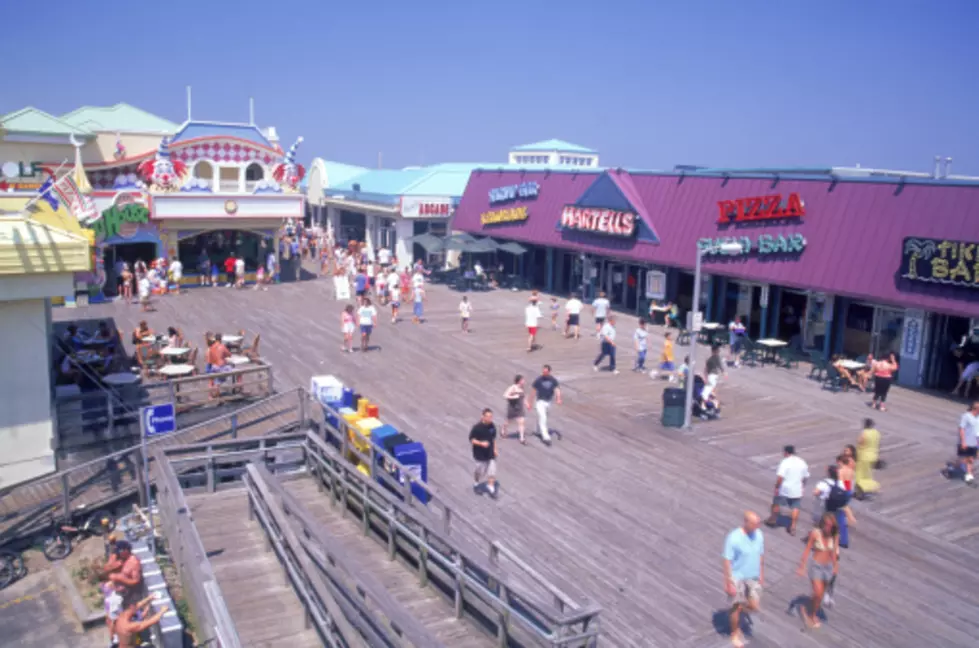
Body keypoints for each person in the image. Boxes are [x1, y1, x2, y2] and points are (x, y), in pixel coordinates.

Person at [722, 512, 765, 648]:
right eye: (754, 524)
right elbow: (727, 560)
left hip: (753, 577)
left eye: (758, 523)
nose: (757, 526)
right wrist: (728, 582)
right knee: (736, 607)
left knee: (754, 605)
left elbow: (760, 555)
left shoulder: (759, 535)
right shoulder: (733, 538)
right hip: (737, 577)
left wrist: (761, 573)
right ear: (746, 522)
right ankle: (735, 632)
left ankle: (740, 609)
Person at [796, 512, 839, 629]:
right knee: (818, 593)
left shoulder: (834, 535)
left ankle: (812, 611)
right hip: (816, 567)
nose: (828, 528)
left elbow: (834, 552)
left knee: (819, 595)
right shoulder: (816, 534)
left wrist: (835, 565)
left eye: (831, 526)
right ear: (823, 524)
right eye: (827, 525)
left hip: (828, 567)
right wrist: (802, 566)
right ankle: (810, 614)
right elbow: (807, 550)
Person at [765, 445, 809, 535]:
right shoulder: (802, 462)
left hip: (785, 489)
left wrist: (777, 487)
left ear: (786, 452)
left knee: (776, 503)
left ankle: (773, 519)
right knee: (795, 507)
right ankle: (793, 526)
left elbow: (780, 477)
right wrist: (802, 487)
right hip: (797, 489)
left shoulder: (785, 462)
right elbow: (805, 477)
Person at [944, 400, 979, 486]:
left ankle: (956, 467)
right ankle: (968, 476)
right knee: (969, 459)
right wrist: (963, 441)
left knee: (971, 458)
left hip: (975, 441)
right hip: (966, 441)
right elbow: (961, 429)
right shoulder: (966, 416)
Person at [527, 365, 562, 446]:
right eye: (543, 372)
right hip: (540, 402)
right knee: (543, 418)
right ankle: (546, 437)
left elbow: (557, 389)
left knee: (542, 417)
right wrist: (530, 402)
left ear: (549, 372)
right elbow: (533, 392)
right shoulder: (538, 380)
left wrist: (558, 398)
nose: (544, 373)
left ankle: (538, 431)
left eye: (545, 372)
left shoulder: (553, 380)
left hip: (548, 402)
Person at [469, 408, 499, 498]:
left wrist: (495, 449)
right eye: (488, 416)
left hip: (490, 453)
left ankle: (491, 487)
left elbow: (493, 439)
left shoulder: (492, 426)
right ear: (483, 416)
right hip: (480, 454)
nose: (490, 418)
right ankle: (476, 483)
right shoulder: (477, 428)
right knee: (480, 471)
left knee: (492, 471)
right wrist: (481, 443)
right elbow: (472, 440)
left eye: (491, 416)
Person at [855, 418, 881, 498]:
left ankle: (862, 491)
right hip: (874, 455)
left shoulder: (865, 433)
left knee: (860, 475)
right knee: (868, 474)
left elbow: (860, 442)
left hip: (864, 456)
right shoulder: (877, 433)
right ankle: (872, 487)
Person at [502, 376, 526, 445]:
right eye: (523, 380)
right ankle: (503, 429)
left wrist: (526, 403)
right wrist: (513, 397)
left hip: (520, 408)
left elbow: (523, 397)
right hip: (512, 407)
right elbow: (505, 395)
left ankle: (522, 438)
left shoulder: (522, 388)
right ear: (519, 381)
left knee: (521, 422)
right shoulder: (512, 387)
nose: (524, 381)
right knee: (508, 421)